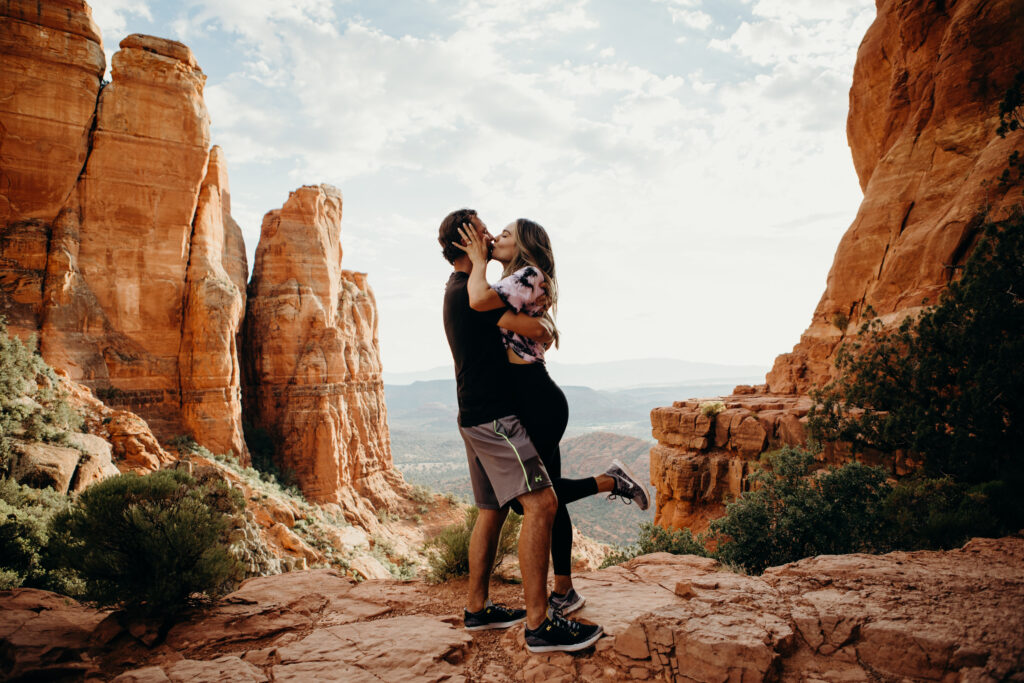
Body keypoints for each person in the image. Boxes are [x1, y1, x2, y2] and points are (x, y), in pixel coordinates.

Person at [455, 218, 650, 621]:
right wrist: (536, 326)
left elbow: (477, 301)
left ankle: (611, 481)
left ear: (524, 245)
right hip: (529, 396)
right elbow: (511, 320)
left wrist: (477, 259)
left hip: (535, 396)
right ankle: (564, 590)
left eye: (506, 235)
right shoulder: (518, 281)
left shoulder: (527, 274)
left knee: (537, 500)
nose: (497, 238)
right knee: (548, 498)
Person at [439, 208, 604, 653]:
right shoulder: (472, 294)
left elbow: (527, 322)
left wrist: (544, 325)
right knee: (543, 503)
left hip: (471, 416)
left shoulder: (458, 288)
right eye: (484, 229)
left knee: (491, 511)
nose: (492, 235)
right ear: (467, 240)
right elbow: (530, 326)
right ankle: (539, 625)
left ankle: (477, 607)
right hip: (494, 418)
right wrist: (546, 326)